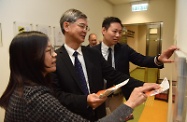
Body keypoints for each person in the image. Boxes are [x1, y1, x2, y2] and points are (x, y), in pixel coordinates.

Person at [0, 31, 160, 122]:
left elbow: (113, 74)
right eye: (48, 51)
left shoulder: (24, 89)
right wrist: (130, 104)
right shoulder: (35, 98)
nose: (55, 55)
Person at [51, 8, 159, 121]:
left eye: (86, 27)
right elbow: (57, 95)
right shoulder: (55, 58)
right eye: (82, 26)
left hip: (99, 114)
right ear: (67, 26)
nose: (85, 30)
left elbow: (114, 75)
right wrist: (85, 100)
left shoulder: (93, 54)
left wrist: (143, 85)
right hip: (72, 116)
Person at [93, 16, 179, 112]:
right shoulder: (92, 52)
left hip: (117, 96)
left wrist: (158, 59)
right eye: (114, 31)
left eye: (120, 32)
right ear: (104, 30)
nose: (118, 35)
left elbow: (141, 59)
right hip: (97, 96)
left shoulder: (124, 49)